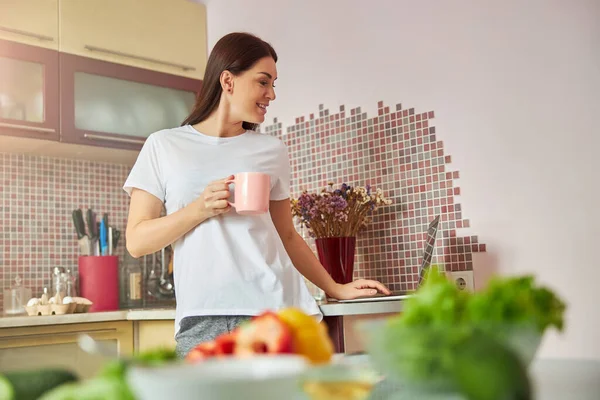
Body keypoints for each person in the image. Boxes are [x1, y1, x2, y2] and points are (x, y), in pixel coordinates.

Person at [123, 32, 391, 358]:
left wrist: (334, 287)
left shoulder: (271, 150)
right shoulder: (164, 146)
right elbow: (137, 241)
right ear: (228, 81)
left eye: (275, 84)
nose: (272, 94)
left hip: (275, 312)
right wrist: (199, 209)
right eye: (264, 82)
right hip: (203, 319)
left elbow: (287, 235)